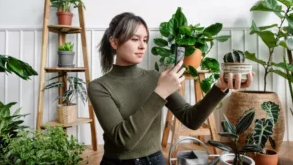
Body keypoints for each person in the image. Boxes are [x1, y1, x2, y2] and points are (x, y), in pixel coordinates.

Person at [88, 12, 254, 165]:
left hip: (156, 160)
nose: (142, 46)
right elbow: (124, 140)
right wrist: (161, 92)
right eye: (134, 39)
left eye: (145, 40)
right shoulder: (99, 87)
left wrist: (219, 88)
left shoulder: (155, 78)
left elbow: (192, 119)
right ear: (114, 42)